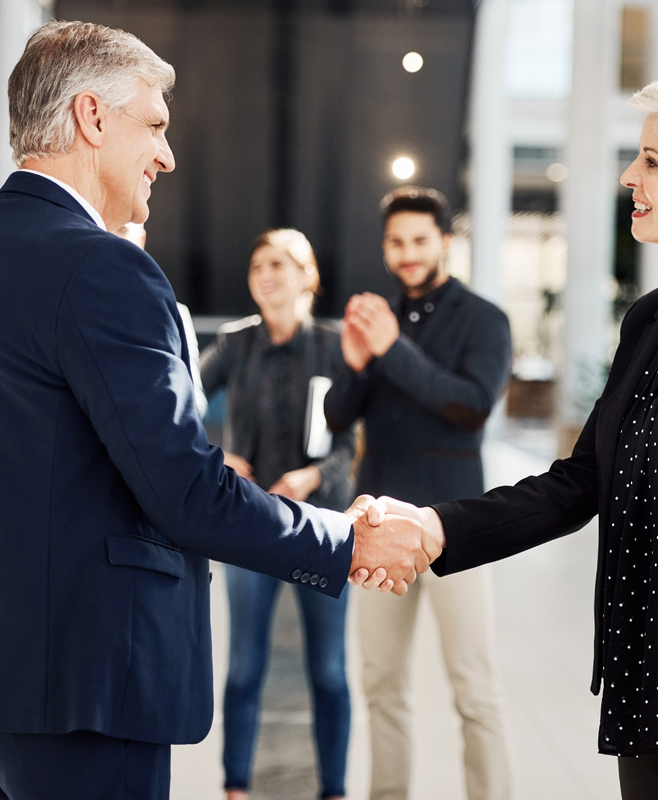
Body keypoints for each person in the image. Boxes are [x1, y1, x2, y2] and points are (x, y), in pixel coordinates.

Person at [0, 20, 437, 800]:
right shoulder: (104, 271)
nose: (167, 155)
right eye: (156, 126)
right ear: (92, 119)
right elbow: (185, 490)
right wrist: (343, 540)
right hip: (89, 683)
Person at [376, 69, 658, 800]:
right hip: (646, 673)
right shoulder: (650, 320)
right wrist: (436, 528)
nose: (630, 175)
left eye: (652, 160)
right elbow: (580, 480)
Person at [324, 186, 513, 800]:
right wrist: (356, 363)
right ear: (385, 248)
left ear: (444, 243)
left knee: (474, 686)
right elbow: (333, 419)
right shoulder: (376, 318)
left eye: (419, 241)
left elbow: (471, 406)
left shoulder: (485, 319)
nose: (407, 254)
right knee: (381, 685)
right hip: (376, 526)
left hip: (455, 526)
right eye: (396, 243)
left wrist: (390, 351)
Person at [200, 229, 354, 800]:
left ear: (306, 276)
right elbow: (174, 398)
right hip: (252, 530)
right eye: (258, 264)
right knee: (243, 669)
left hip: (322, 530)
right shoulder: (236, 343)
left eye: (279, 264)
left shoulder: (335, 346)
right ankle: (236, 788)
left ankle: (334, 790)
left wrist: (315, 477)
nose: (266, 274)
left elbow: (350, 441)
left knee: (330, 672)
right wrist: (219, 456)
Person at [115, 221, 208, 417]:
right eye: (104, 229)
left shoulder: (175, 313)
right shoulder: (77, 304)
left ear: (141, 239)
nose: (111, 238)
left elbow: (195, 403)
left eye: (122, 230)